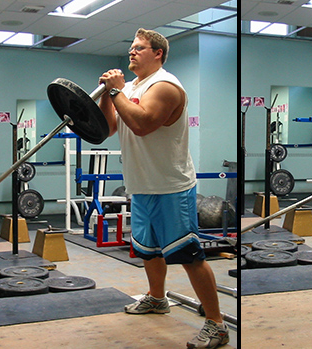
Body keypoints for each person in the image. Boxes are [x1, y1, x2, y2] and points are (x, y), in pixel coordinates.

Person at [97, 28, 229, 348]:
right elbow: (107, 129)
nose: (132, 53)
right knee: (148, 249)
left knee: (189, 255)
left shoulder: (166, 86)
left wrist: (115, 94)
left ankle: (216, 323)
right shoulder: (129, 87)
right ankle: (157, 298)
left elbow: (141, 124)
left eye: (139, 48)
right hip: (141, 184)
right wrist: (106, 94)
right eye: (131, 48)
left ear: (157, 53)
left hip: (171, 186)